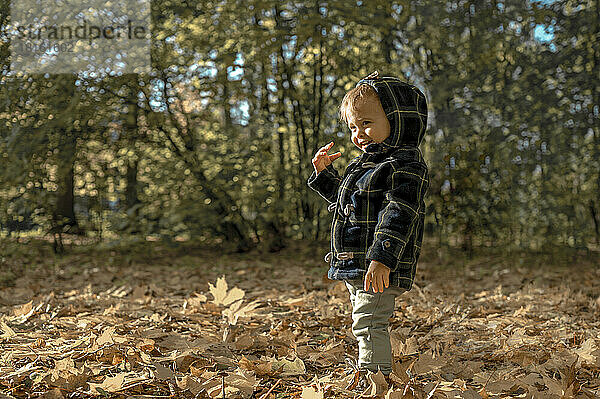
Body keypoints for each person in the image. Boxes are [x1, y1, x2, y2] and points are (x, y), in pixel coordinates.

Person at [307, 71, 429, 383]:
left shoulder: (404, 166)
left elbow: (400, 212)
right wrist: (323, 174)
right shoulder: (365, 166)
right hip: (358, 263)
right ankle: (373, 369)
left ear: (398, 119)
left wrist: (382, 257)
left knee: (368, 321)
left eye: (366, 123)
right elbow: (347, 203)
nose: (358, 133)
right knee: (364, 316)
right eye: (352, 126)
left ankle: (376, 378)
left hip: (379, 262)